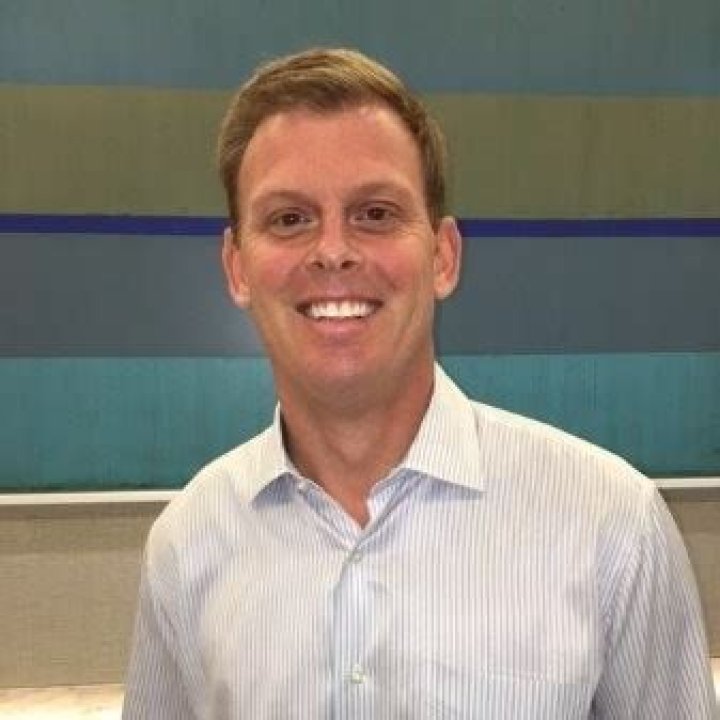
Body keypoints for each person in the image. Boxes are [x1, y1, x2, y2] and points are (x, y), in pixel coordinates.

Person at [122, 48, 715, 719]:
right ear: (237, 268)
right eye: (289, 218)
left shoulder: (613, 528)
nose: (333, 251)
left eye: (375, 213)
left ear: (443, 256)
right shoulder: (186, 548)